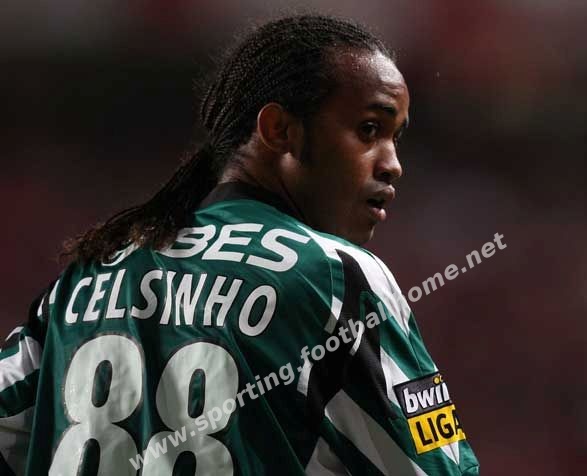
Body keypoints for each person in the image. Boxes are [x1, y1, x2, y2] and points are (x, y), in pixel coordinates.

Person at [0, 14, 479, 475]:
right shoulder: (335, 276)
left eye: (395, 137)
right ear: (279, 131)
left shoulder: (91, 273)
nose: (392, 164)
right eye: (369, 130)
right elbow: (436, 469)